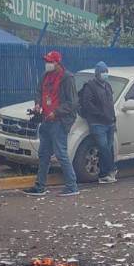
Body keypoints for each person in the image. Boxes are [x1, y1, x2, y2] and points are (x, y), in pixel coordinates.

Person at [23, 50, 79, 197]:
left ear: (57, 63)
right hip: (47, 120)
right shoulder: (45, 76)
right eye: (46, 61)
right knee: (43, 154)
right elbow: (39, 91)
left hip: (59, 121)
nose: (47, 64)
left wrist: (57, 112)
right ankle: (40, 186)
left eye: (49, 61)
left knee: (61, 153)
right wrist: (37, 104)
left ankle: (72, 186)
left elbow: (72, 103)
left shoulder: (67, 78)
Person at [77, 61, 118, 184]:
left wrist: (113, 118)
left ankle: (105, 173)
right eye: (102, 72)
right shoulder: (90, 86)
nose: (105, 74)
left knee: (108, 148)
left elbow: (110, 104)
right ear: (97, 73)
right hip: (97, 123)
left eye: (106, 71)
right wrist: (100, 114)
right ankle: (110, 170)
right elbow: (87, 104)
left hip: (109, 122)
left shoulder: (107, 86)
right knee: (103, 147)